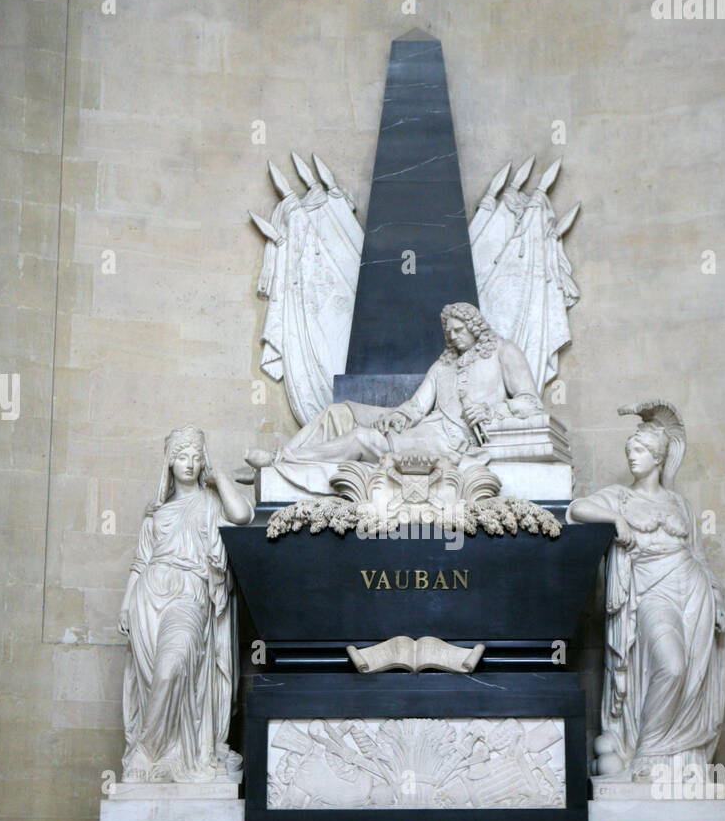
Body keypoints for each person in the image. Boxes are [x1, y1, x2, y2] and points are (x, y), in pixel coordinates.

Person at [567, 401, 725, 782]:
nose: (632, 458)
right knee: (671, 666)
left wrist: (717, 597)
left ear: (658, 458)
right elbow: (577, 510)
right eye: (629, 451)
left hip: (693, 590)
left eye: (639, 451)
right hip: (652, 590)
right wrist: (615, 518)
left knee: (692, 675)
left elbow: (698, 555)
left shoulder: (679, 505)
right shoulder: (620, 497)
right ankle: (648, 753)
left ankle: (678, 757)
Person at [245, 301, 543, 493]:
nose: (451, 337)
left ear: (475, 326)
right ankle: (281, 472)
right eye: (448, 332)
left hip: (450, 441)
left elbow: (530, 402)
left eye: (458, 329)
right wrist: (399, 416)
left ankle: (281, 461)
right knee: (340, 412)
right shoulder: (444, 364)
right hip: (423, 427)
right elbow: (416, 406)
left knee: (362, 438)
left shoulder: (503, 351)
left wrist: (494, 411)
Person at [118, 425, 254, 782]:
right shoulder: (156, 514)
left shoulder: (211, 502)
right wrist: (126, 604)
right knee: (152, 683)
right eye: (181, 457)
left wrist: (219, 477)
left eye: (196, 457)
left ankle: (150, 752)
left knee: (170, 669)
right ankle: (160, 760)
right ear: (169, 463)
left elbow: (242, 515)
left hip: (189, 594)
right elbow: (139, 563)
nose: (189, 464)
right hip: (149, 597)